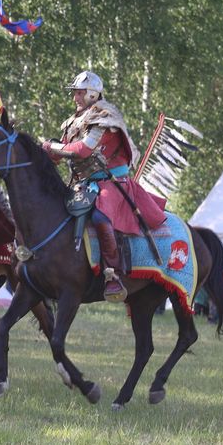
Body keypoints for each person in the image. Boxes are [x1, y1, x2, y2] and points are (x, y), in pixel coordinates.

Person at [41, 70, 166, 301]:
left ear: (92, 94)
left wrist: (54, 148)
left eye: (79, 93)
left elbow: (83, 150)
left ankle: (113, 275)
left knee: (100, 217)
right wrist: (46, 151)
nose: (75, 98)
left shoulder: (105, 116)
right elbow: (64, 153)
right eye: (74, 93)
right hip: (84, 183)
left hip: (111, 182)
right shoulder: (74, 121)